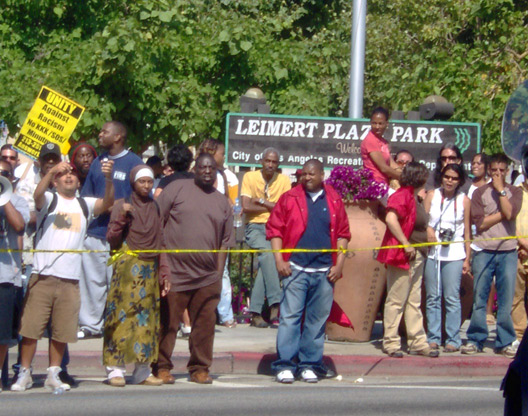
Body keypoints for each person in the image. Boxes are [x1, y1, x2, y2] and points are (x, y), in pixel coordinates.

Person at [11, 159, 114, 392]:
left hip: (70, 279)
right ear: (56, 182)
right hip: (43, 276)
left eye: (73, 175)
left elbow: (108, 202)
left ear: (78, 182)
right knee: (30, 330)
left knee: (61, 330)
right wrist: (51, 172)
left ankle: (53, 374)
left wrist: (108, 179)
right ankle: (24, 373)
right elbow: (38, 194)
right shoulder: (50, 200)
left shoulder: (84, 204)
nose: (69, 177)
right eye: (63, 175)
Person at [152, 153, 234, 385]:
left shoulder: (221, 202)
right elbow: (157, 222)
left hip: (207, 277)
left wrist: (217, 276)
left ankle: (199, 368)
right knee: (167, 323)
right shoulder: (176, 189)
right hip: (175, 273)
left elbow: (224, 243)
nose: (207, 171)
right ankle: (161, 366)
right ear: (194, 169)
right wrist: (162, 264)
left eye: (211, 168)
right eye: (202, 167)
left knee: (204, 326)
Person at [267, 159, 350, 383]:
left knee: (316, 320)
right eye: (304, 174)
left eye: (312, 174)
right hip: (296, 269)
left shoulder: (334, 199)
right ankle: (285, 364)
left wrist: (339, 263)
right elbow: (274, 229)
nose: (307, 178)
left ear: (323, 175)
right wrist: (279, 260)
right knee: (290, 318)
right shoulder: (290, 198)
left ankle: (309, 364)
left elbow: (343, 233)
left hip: (324, 271)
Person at [103, 165, 170, 387]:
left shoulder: (155, 207)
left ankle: (142, 371)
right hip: (127, 269)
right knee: (122, 318)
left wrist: (164, 271)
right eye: (142, 181)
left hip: (149, 270)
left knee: (146, 322)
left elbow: (161, 240)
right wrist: (122, 216)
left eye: (150, 182)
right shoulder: (122, 205)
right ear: (133, 182)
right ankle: (115, 369)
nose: (146, 186)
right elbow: (111, 238)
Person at [79, 121, 142, 339]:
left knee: (121, 284)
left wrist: (122, 208)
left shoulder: (134, 163)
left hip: (123, 238)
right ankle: (90, 325)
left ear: (118, 137)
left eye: (104, 132)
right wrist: (105, 205)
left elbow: (142, 199)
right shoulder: (98, 162)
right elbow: (87, 197)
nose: (99, 134)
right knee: (93, 283)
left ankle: (119, 324)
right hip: (97, 233)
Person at [461, 154, 522, 358]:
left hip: (508, 251)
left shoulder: (514, 191)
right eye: (494, 170)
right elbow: (481, 224)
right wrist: (502, 214)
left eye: (501, 171)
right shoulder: (479, 193)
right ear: (488, 170)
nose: (497, 174)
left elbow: (512, 214)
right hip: (484, 250)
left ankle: (504, 340)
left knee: (506, 299)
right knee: (480, 296)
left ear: (507, 172)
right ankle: (476, 337)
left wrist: (501, 191)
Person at [377, 162, 439, 358]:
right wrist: (405, 243)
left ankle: (417, 341)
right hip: (403, 255)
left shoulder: (415, 197)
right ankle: (391, 342)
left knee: (413, 300)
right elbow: (390, 219)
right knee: (396, 299)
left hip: (419, 254)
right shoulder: (402, 195)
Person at [241, 148, 291, 327]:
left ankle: (255, 312)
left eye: (274, 162)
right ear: (262, 161)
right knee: (269, 255)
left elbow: (284, 209)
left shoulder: (284, 180)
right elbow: (245, 207)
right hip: (254, 227)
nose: (270, 165)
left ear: (278, 165)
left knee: (266, 261)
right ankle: (276, 305)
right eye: (267, 161)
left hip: (276, 228)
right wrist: (273, 206)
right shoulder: (250, 177)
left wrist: (261, 201)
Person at [423, 163, 471, 352]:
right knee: (433, 297)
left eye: (454, 178)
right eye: (447, 177)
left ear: (459, 181)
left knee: (452, 297)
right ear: (441, 177)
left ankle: (453, 338)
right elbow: (423, 220)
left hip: (455, 253)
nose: (449, 181)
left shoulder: (464, 200)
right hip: (433, 253)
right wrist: (429, 230)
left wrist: (467, 258)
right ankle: (433, 336)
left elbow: (467, 230)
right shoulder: (432, 195)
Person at [197, 138, 238, 327]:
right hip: (205, 230)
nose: (223, 157)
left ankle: (224, 313)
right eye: (222, 153)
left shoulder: (222, 176)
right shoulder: (199, 176)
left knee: (222, 271)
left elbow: (227, 200)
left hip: (220, 230)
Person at [0, 160, 29, 390]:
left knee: (2, 335)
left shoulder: (17, 200)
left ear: (12, 178)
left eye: (4, 174)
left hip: (5, 275)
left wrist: (4, 197)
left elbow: (19, 226)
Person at [360, 107, 401, 185]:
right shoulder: (370, 140)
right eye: (374, 123)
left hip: (384, 183)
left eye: (380, 123)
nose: (377, 127)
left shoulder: (383, 142)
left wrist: (401, 171)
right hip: (374, 185)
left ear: (386, 123)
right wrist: (403, 177)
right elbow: (383, 168)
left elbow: (391, 163)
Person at [513, 167, 528, 351]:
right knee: (515, 298)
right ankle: (519, 336)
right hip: (517, 252)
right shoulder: (516, 193)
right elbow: (511, 221)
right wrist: (522, 245)